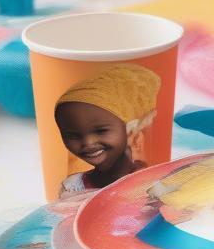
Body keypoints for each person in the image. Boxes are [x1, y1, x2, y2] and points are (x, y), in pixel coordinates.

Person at [54, 62, 159, 196]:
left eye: (101, 131)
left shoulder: (150, 183)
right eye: (73, 135)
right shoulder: (71, 187)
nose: (88, 142)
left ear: (131, 129)